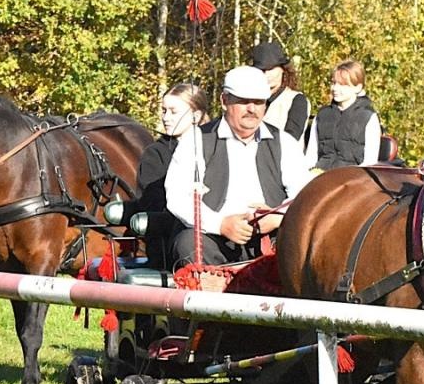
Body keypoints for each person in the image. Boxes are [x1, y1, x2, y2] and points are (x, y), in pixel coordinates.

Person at [162, 65, 312, 267]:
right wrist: (221, 224)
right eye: (243, 101)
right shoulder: (196, 140)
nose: (252, 109)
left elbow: (305, 194)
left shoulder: (284, 142)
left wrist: (278, 217)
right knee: (189, 244)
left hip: (273, 240)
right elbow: (178, 197)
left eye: (259, 102)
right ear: (225, 100)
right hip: (214, 239)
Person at [132, 82, 207, 267]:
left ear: (195, 116)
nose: (166, 118)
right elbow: (152, 205)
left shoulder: (214, 145)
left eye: (173, 112)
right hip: (169, 246)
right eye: (164, 111)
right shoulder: (155, 154)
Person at [308, 59, 382, 171]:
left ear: (358, 87)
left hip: (351, 179)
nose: (335, 88)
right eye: (333, 83)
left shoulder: (368, 117)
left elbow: (369, 162)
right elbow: (310, 156)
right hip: (321, 176)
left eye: (342, 85)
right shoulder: (322, 115)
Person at [249, 40, 312, 147]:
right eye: (262, 70)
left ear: (283, 69)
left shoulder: (296, 100)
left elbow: (292, 138)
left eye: (271, 69)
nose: (266, 75)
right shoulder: (248, 101)